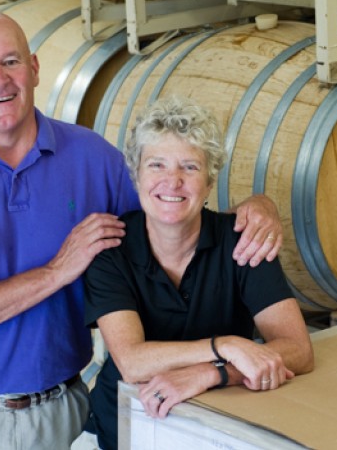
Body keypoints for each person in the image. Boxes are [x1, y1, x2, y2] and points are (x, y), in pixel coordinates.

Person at [0, 10, 284, 450]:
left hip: (64, 412)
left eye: (10, 62)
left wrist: (257, 207)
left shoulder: (92, 158)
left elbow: (169, 208)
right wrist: (55, 272)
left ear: (33, 69)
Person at [82, 96, 314, 450]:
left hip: (220, 426)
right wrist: (227, 346)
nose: (172, 181)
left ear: (209, 183)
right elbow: (132, 362)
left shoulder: (243, 242)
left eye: (189, 167)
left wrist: (214, 372)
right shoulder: (111, 250)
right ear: (137, 176)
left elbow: (298, 349)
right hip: (130, 426)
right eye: (156, 165)